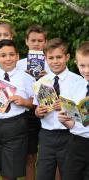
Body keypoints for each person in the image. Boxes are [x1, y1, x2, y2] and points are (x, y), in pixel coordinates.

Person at [0, 39, 35, 180]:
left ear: (17, 56)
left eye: (11, 54)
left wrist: (24, 102)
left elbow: (36, 104)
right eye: (3, 55)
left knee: (10, 174)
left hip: (15, 127)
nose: (8, 58)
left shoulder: (27, 79)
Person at [34, 38, 83, 180]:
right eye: (51, 58)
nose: (55, 61)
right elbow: (37, 109)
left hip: (70, 135)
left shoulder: (78, 81)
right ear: (45, 59)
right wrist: (38, 112)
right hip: (46, 136)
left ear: (67, 57)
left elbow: (82, 112)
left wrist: (66, 107)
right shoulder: (41, 82)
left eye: (59, 57)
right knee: (43, 174)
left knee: (69, 174)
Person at [16, 24, 48, 180]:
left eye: (40, 40)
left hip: (49, 112)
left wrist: (45, 77)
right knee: (30, 156)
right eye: (33, 40)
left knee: (51, 155)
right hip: (27, 113)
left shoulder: (52, 63)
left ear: (45, 43)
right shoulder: (19, 64)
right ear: (26, 42)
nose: (36, 43)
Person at [58, 41, 89, 180]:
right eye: (82, 66)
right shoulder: (77, 86)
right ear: (76, 63)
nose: (87, 70)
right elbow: (73, 124)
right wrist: (65, 120)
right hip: (76, 142)